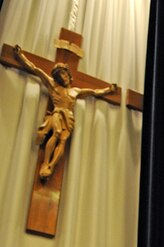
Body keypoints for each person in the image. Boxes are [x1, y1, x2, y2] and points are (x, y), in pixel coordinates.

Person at [13, 44, 117, 180]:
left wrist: (109, 90)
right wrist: (20, 56)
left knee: (63, 141)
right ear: (57, 78)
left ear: (68, 74)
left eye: (64, 73)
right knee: (55, 133)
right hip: (57, 113)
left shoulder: (76, 91)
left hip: (69, 117)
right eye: (60, 75)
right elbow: (35, 69)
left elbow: (94, 92)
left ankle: (51, 165)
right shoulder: (52, 85)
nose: (63, 77)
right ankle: (45, 163)